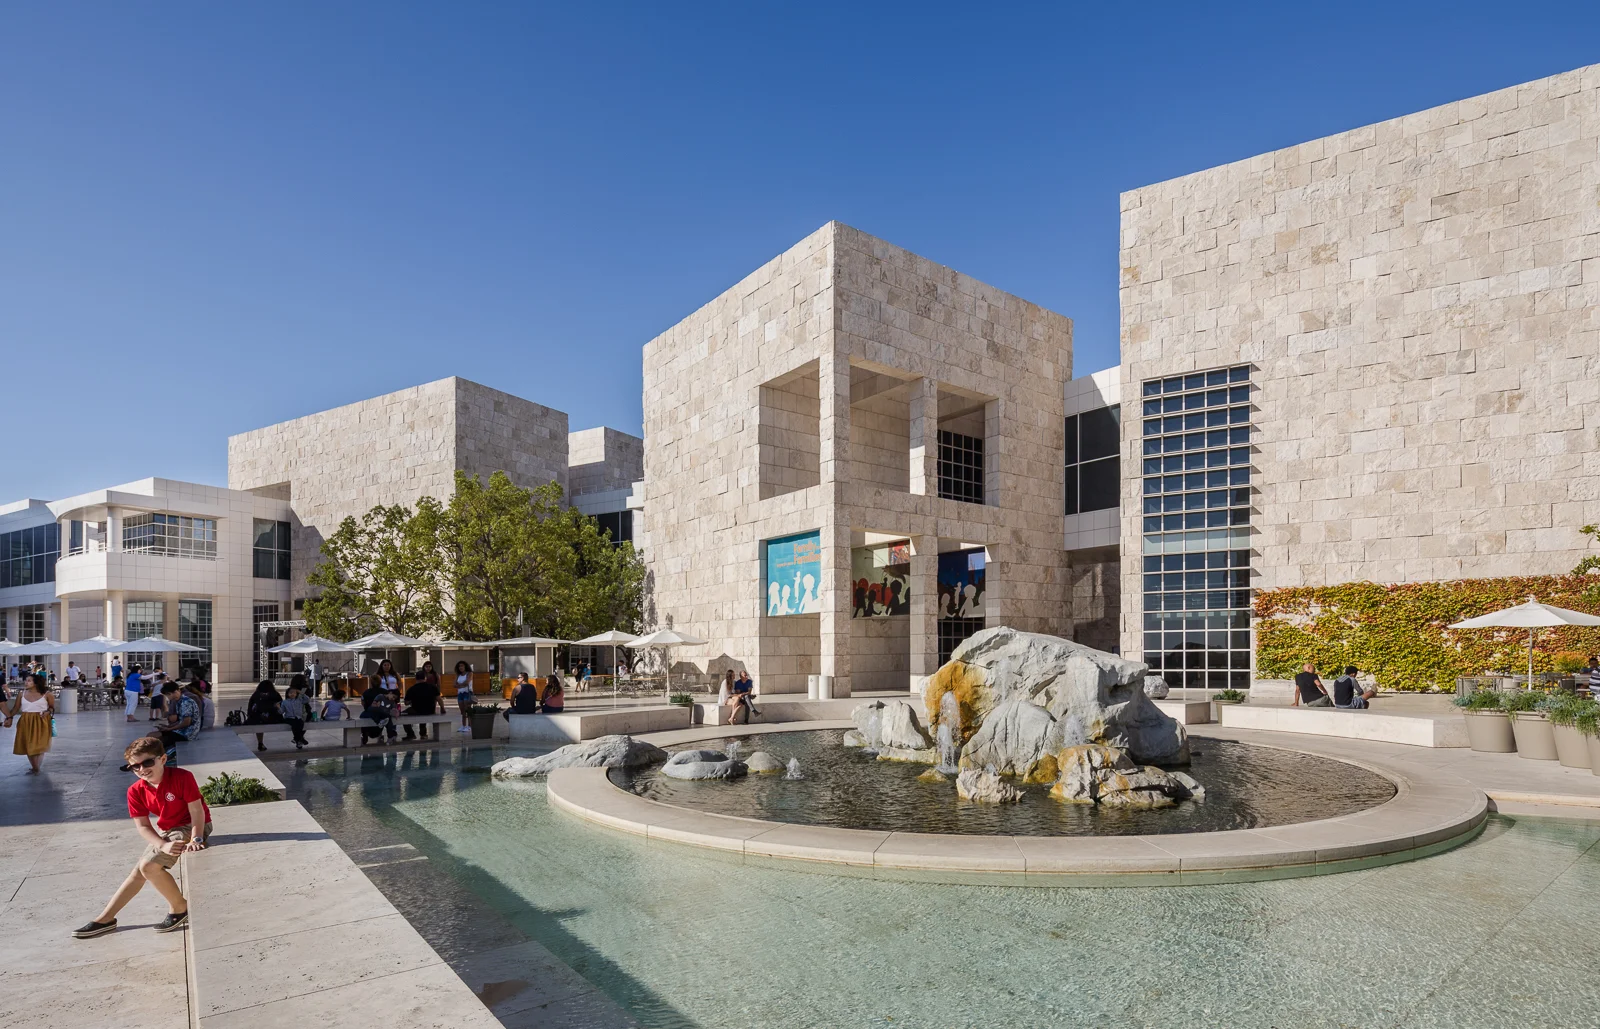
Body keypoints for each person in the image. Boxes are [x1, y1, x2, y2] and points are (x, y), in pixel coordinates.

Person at [73, 736, 210, 938]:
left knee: (148, 867)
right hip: (168, 831)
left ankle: (179, 908)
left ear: (163, 759)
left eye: (147, 763)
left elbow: (196, 811)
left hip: (191, 825)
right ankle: (106, 918)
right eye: (134, 766)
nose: (142, 769)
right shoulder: (135, 791)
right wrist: (162, 844)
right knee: (139, 871)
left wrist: (196, 838)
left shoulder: (182, 777)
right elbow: (143, 826)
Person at [4, 673, 55, 773]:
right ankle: (35, 767)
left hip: (41, 721)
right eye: (26, 680)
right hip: (25, 721)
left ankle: (36, 767)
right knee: (28, 744)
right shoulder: (21, 694)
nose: (26, 683)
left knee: (40, 745)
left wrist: (47, 712)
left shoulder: (47, 694)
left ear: (36, 683)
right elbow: (16, 708)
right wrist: (9, 717)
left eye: (29, 681)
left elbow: (52, 708)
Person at [402, 668, 441, 741]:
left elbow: (406, 703)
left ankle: (410, 734)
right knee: (423, 712)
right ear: (425, 678)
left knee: (403, 715)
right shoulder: (432, 687)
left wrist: (412, 700)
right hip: (430, 710)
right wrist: (443, 708)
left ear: (416, 678)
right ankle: (423, 734)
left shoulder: (412, 689)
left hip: (416, 710)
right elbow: (439, 699)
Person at [244, 680, 283, 751]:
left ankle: (260, 742)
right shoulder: (275, 694)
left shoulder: (256, 695)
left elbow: (250, 708)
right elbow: (281, 705)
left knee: (258, 724)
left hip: (256, 720)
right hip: (273, 719)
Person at [360, 679, 398, 744]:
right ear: (380, 683)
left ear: (371, 683)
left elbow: (363, 703)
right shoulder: (385, 692)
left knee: (362, 716)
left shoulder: (366, 692)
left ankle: (365, 736)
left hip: (370, 713)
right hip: (381, 713)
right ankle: (391, 734)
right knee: (387, 718)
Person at [280, 683, 311, 749]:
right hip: (289, 718)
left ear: (296, 694)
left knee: (301, 723)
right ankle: (300, 739)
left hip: (298, 717)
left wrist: (301, 693)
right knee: (294, 725)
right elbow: (281, 711)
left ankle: (296, 738)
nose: (292, 694)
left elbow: (307, 699)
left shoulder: (299, 700)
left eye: (294, 693)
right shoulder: (285, 702)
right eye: (290, 693)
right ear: (287, 694)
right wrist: (278, 707)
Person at [453, 661, 474, 734]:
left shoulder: (469, 673)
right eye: (459, 666)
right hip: (460, 693)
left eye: (462, 666)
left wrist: (459, 685)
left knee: (467, 709)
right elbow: (454, 684)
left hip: (467, 693)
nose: (460, 667)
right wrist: (461, 685)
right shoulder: (458, 675)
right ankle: (463, 725)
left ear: (465, 666)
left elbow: (467, 682)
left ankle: (469, 726)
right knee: (462, 710)